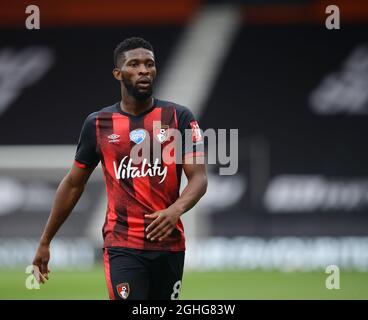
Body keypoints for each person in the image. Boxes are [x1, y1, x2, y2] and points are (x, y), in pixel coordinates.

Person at [32, 37, 208, 300]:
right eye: (134, 64)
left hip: (170, 245)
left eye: (149, 64)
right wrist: (46, 240)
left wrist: (175, 210)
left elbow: (199, 178)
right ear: (118, 73)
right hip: (122, 245)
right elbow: (73, 184)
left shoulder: (179, 117)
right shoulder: (98, 124)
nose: (143, 70)